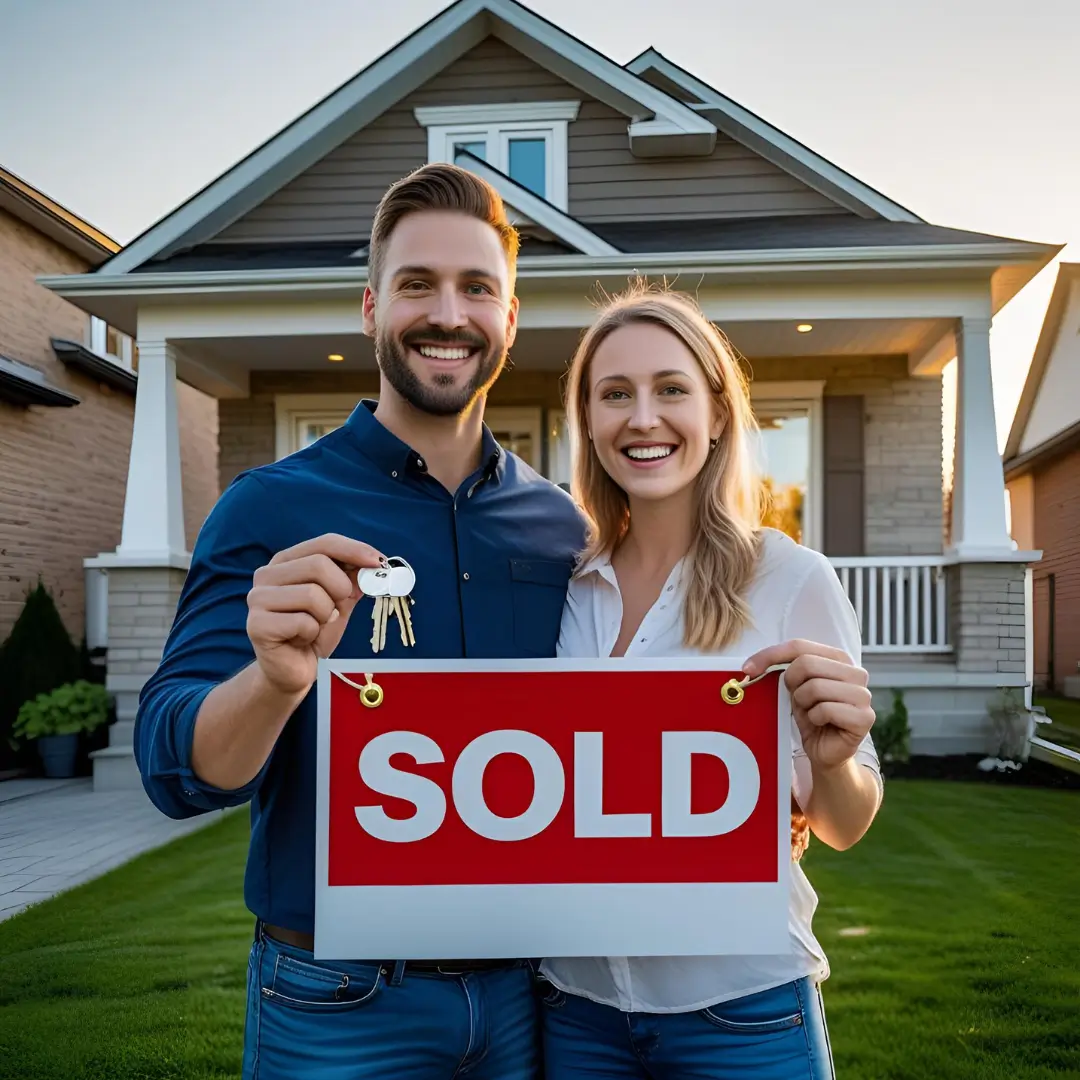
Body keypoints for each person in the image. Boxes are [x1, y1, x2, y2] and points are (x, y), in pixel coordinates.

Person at [133, 163, 586, 1080]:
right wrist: (271, 683)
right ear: (372, 307)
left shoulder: (565, 527)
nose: (448, 315)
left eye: (477, 288)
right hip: (335, 1000)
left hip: (528, 998)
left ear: (510, 317)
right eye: (418, 284)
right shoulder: (269, 508)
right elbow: (175, 768)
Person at [538, 283, 883, 1080]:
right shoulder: (559, 583)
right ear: (588, 421)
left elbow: (843, 823)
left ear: (719, 413)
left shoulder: (791, 577)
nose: (643, 418)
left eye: (671, 389)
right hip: (572, 1007)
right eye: (614, 393)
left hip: (741, 1011)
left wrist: (832, 761)